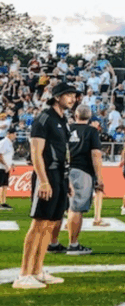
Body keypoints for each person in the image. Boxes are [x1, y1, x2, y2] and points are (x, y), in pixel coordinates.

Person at [14, 81, 78, 289]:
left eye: (74, 96)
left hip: (60, 175)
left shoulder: (63, 119)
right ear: (57, 96)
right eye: (69, 95)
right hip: (47, 174)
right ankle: (24, 274)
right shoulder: (44, 118)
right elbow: (36, 152)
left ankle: (38, 270)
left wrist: (66, 180)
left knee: (51, 224)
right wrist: (43, 180)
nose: (73, 99)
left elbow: (64, 150)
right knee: (39, 223)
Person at [66, 104, 104, 255]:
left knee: (64, 208)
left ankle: (53, 243)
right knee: (77, 208)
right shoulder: (91, 131)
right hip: (82, 170)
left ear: (75, 115)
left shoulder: (66, 128)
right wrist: (99, 177)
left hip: (64, 169)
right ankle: (73, 245)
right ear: (89, 117)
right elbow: (96, 154)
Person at [0, 127, 15, 210]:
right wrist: (6, 165)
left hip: (6, 167)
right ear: (10, 134)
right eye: (14, 134)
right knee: (1, 186)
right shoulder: (4, 142)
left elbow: (7, 156)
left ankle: (3, 202)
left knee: (5, 185)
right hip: (1, 167)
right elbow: (0, 155)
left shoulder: (9, 143)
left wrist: (11, 164)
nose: (15, 136)